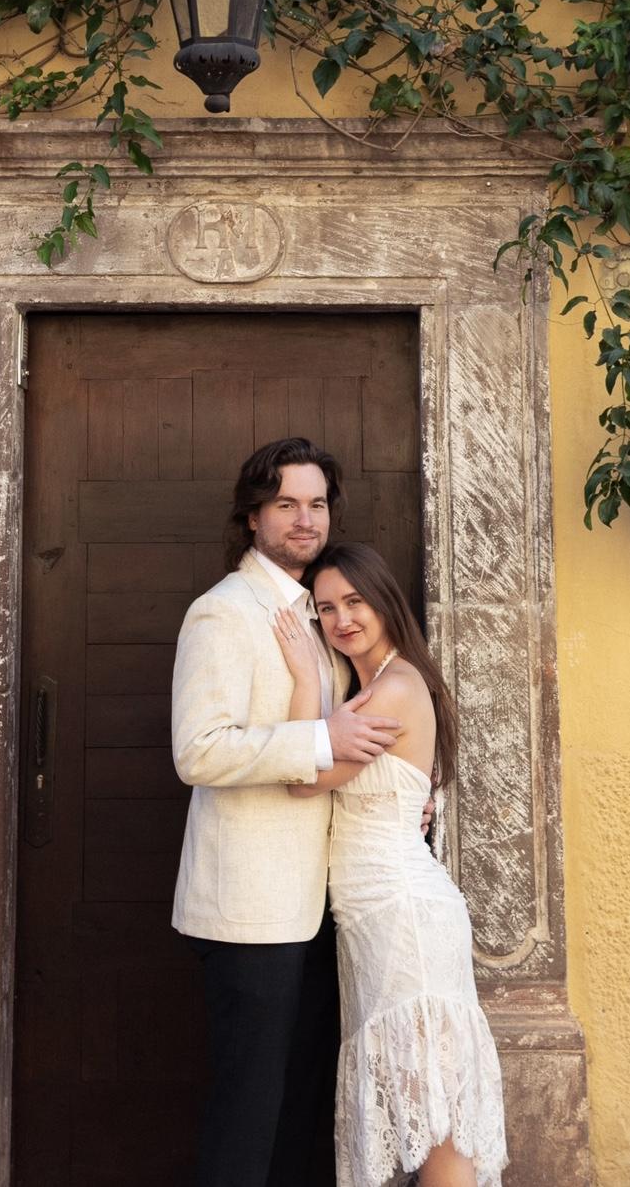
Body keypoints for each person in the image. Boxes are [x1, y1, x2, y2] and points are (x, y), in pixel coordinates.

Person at [171, 438, 404, 1187]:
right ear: (253, 516)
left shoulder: (324, 610)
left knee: (300, 1110)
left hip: (322, 904)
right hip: (249, 909)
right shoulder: (223, 612)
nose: (305, 519)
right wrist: (317, 739)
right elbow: (198, 751)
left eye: (317, 504)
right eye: (286, 504)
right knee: (250, 1112)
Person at [272, 542, 508, 1187]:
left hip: (402, 913)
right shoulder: (374, 686)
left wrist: (303, 678)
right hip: (376, 915)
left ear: (383, 602)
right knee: (421, 1107)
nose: (342, 619)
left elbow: (300, 777)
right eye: (326, 608)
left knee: (432, 1110)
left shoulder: (395, 687)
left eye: (355, 602)